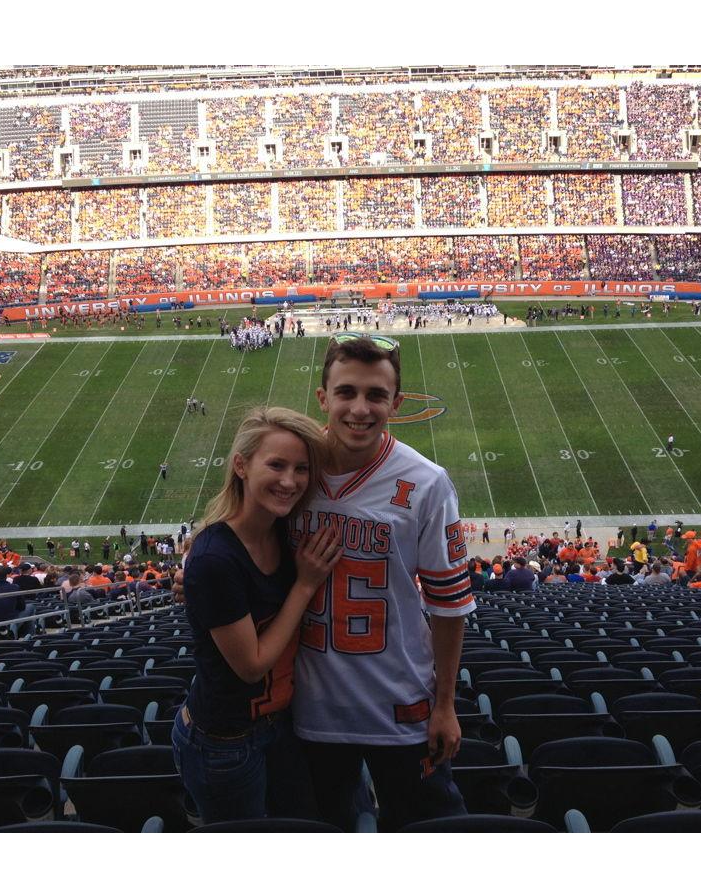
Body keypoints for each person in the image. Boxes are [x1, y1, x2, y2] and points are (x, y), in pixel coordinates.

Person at [291, 334, 476, 832]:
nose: (359, 408)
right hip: (308, 706)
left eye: (375, 395)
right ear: (322, 397)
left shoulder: (427, 482)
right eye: (346, 392)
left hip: (401, 704)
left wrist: (444, 705)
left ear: (396, 403)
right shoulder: (292, 471)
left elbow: (449, 603)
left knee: (426, 829)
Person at [172, 406, 341, 824]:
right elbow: (251, 666)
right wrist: (304, 584)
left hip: (277, 725)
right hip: (224, 742)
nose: (290, 481)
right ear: (241, 466)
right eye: (277, 465)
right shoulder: (216, 557)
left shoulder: (282, 530)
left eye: (301, 469)